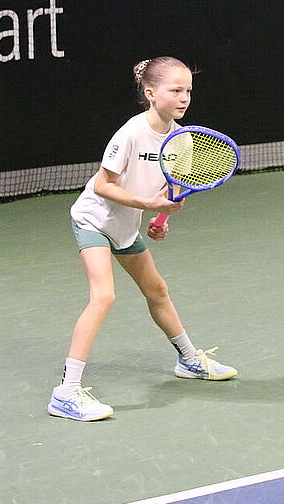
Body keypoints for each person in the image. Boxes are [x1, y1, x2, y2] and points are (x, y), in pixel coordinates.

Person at [49, 56, 237, 422]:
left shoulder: (181, 139)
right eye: (175, 90)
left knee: (157, 290)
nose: (184, 98)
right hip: (94, 219)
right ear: (150, 93)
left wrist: (161, 219)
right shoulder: (132, 133)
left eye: (188, 91)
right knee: (104, 296)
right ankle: (66, 392)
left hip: (125, 226)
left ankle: (188, 360)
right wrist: (148, 204)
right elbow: (103, 185)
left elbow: (171, 186)